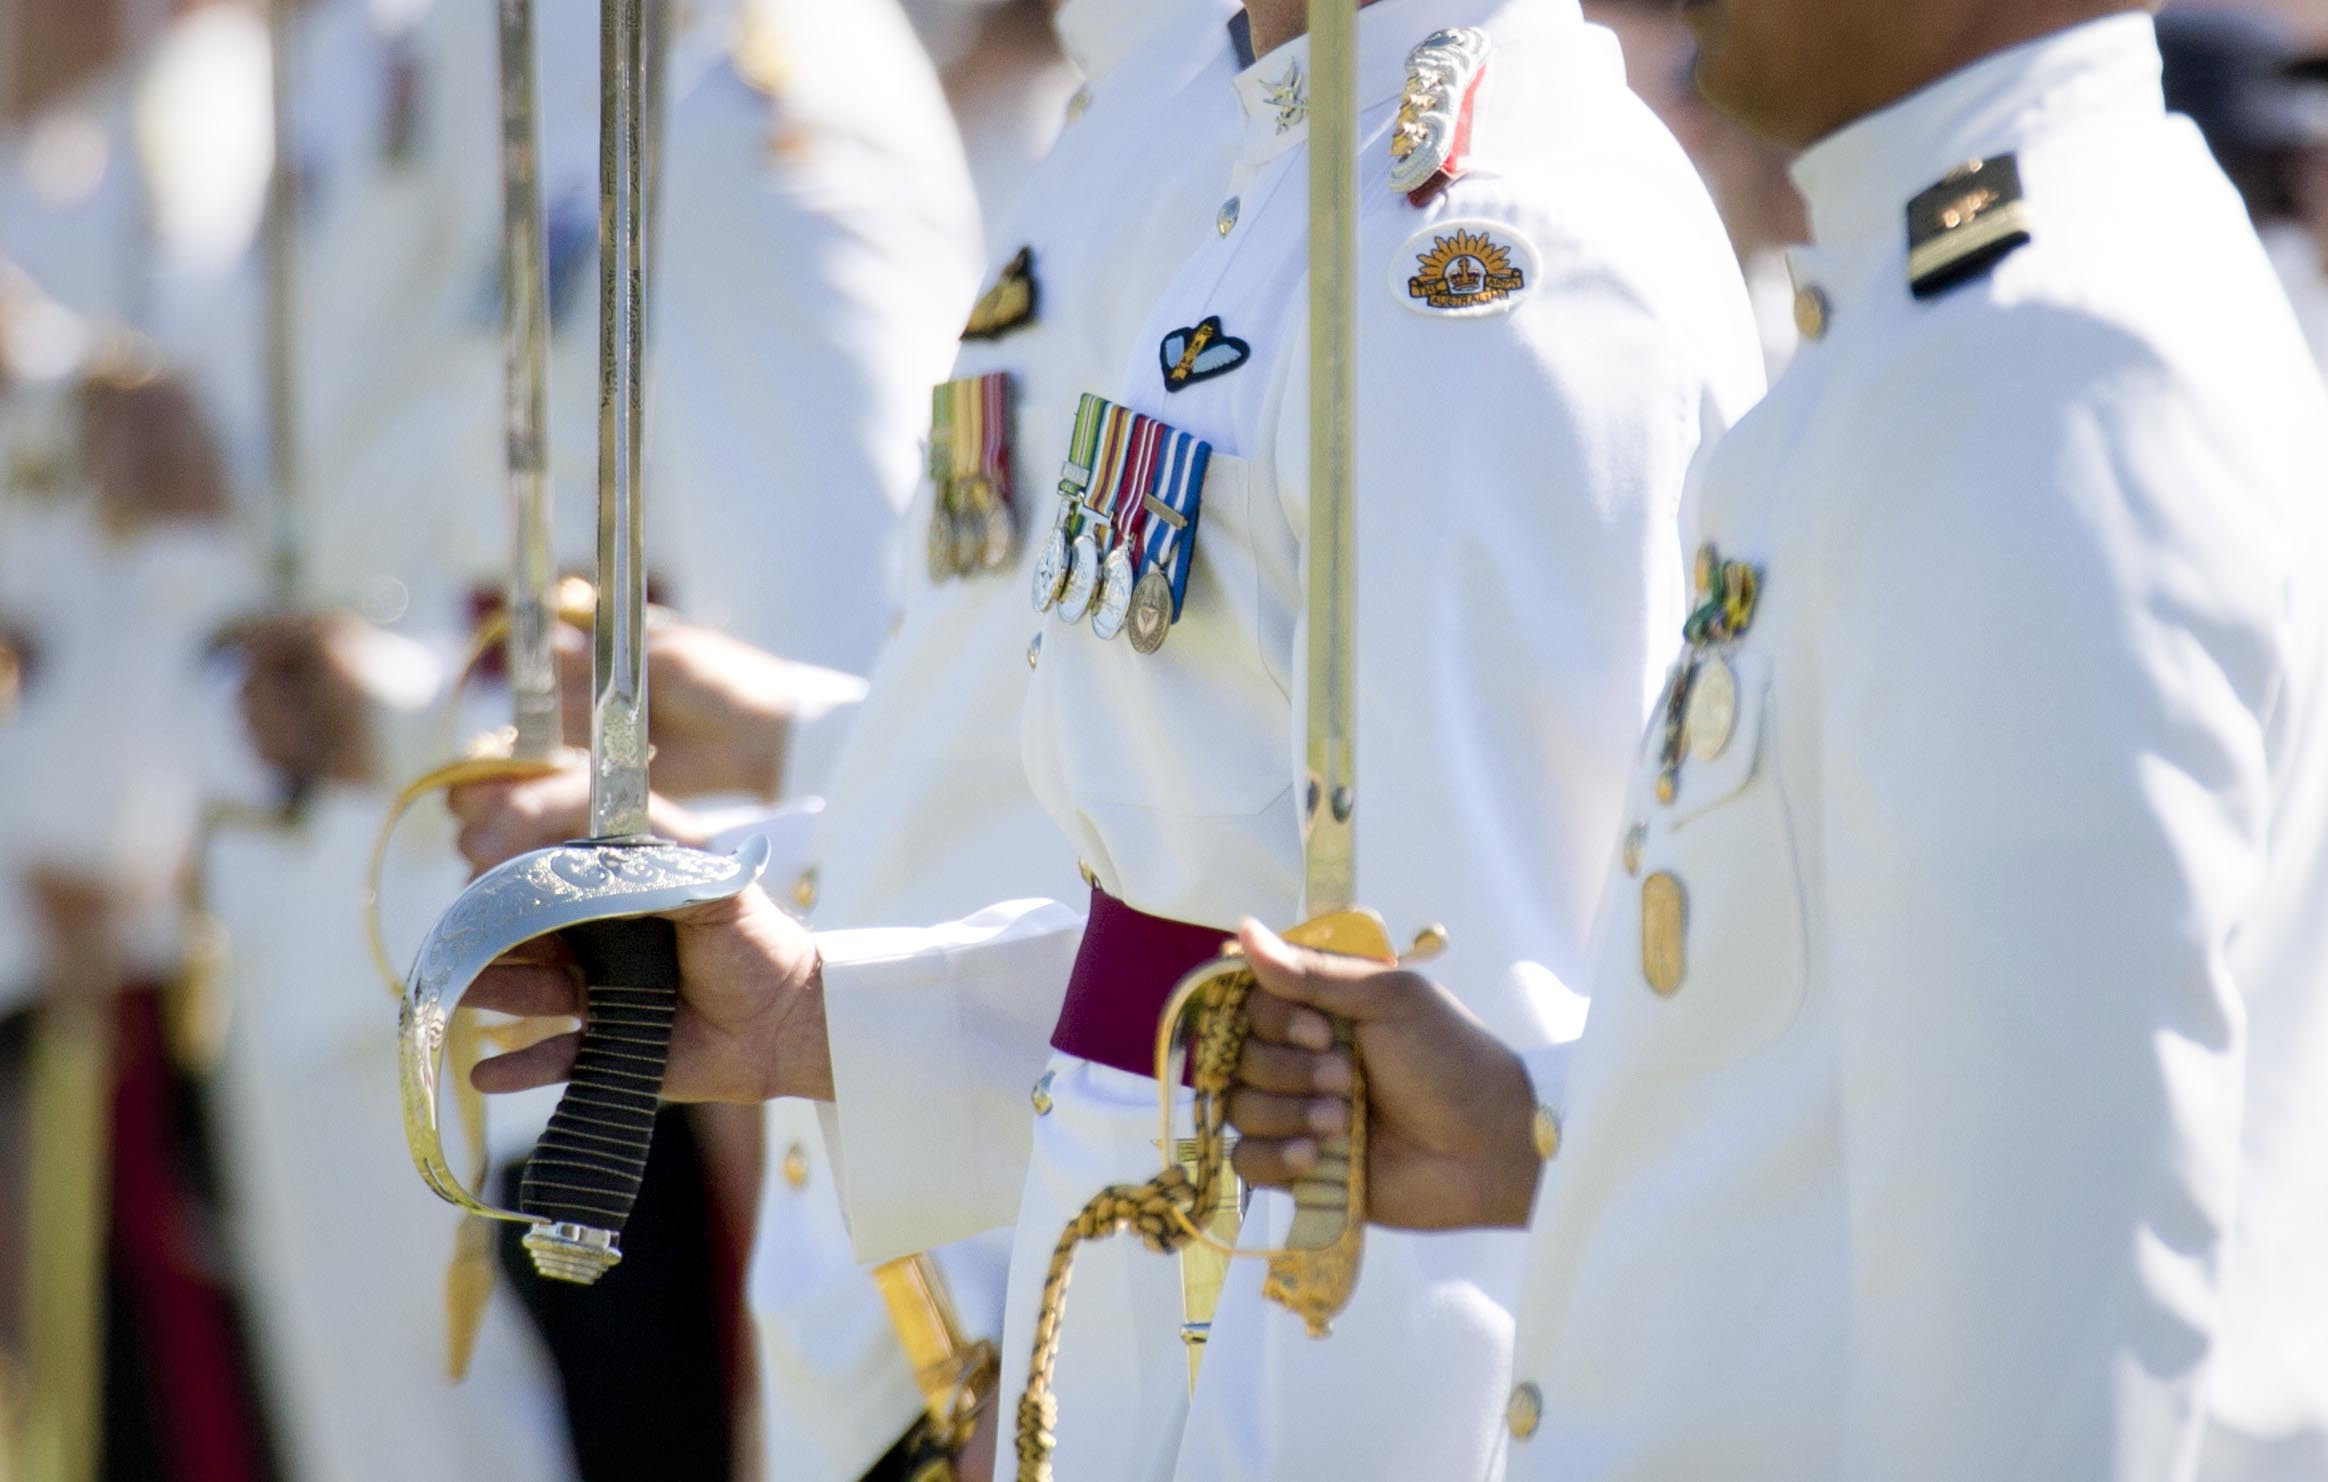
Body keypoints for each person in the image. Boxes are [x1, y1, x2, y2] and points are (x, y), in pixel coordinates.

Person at [457, 0, 1765, 1477]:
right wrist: (819, 1015)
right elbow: (1193, 952)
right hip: (1122, 1356)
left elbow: (1440, 1129)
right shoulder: (1274, 159)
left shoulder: (1488, 253)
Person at [1212, 3, 2328, 1478]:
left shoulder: (2041, 372)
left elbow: (2052, 1326)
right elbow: (1893, 1062)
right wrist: (1529, 1122)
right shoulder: (1969, 301)